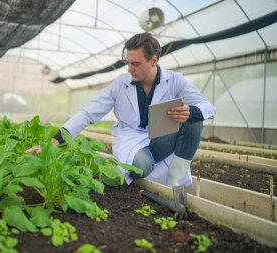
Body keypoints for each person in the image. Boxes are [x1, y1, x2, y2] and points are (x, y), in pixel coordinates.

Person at [26, 32, 216, 187]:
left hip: (162, 137)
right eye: (127, 63)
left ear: (154, 60)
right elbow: (88, 112)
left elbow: (207, 107)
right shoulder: (120, 85)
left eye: (136, 64)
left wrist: (192, 111)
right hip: (131, 139)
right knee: (142, 165)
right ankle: (140, 166)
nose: (129, 69)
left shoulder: (174, 81)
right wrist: (54, 141)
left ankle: (176, 182)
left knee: (195, 121)